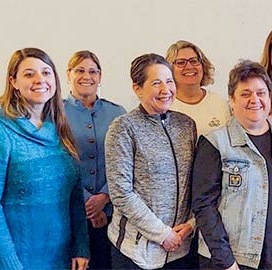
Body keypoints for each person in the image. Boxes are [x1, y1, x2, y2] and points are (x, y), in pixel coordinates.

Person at [0, 48, 89, 270]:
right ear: (13, 82)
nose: (40, 80)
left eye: (46, 72)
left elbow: (74, 196)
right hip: (13, 261)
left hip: (60, 258)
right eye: (29, 74)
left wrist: (80, 246)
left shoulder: (59, 130)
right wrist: (8, 264)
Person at [192, 60, 272, 269]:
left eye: (261, 93)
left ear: (270, 96)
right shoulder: (215, 143)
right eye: (245, 94)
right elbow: (203, 206)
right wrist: (225, 260)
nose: (254, 100)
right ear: (232, 99)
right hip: (232, 260)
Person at [104, 53, 196, 270]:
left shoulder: (186, 125)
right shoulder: (123, 128)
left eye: (169, 81)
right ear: (138, 89)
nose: (166, 89)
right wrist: (162, 234)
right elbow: (121, 194)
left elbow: (195, 182)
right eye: (156, 83)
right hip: (136, 253)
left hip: (181, 248)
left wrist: (191, 224)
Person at [63, 50, 127, 270]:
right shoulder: (55, 112)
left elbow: (126, 161)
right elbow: (56, 163)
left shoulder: (117, 113)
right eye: (79, 70)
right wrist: (88, 202)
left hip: (112, 213)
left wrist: (104, 196)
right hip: (70, 211)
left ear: (100, 76)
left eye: (93, 71)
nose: (86, 76)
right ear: (68, 74)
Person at [166, 40, 230, 136]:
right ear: (169, 69)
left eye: (194, 61)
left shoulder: (219, 104)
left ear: (203, 65)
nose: (189, 66)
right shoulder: (164, 106)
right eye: (181, 62)